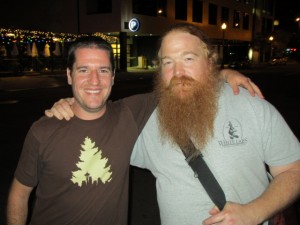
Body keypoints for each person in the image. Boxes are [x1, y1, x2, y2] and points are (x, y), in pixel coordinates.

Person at [46, 24, 300, 225]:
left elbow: (293, 171)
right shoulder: (144, 121)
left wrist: (254, 213)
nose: (177, 71)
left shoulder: (252, 106)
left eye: (188, 58)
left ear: (210, 61)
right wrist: (73, 103)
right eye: (168, 62)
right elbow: (97, 116)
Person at [6, 35, 260, 225]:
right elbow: (19, 193)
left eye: (103, 71)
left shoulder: (128, 114)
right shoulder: (44, 130)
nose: (94, 81)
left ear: (113, 77)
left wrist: (223, 74)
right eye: (83, 70)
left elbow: (180, 83)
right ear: (69, 76)